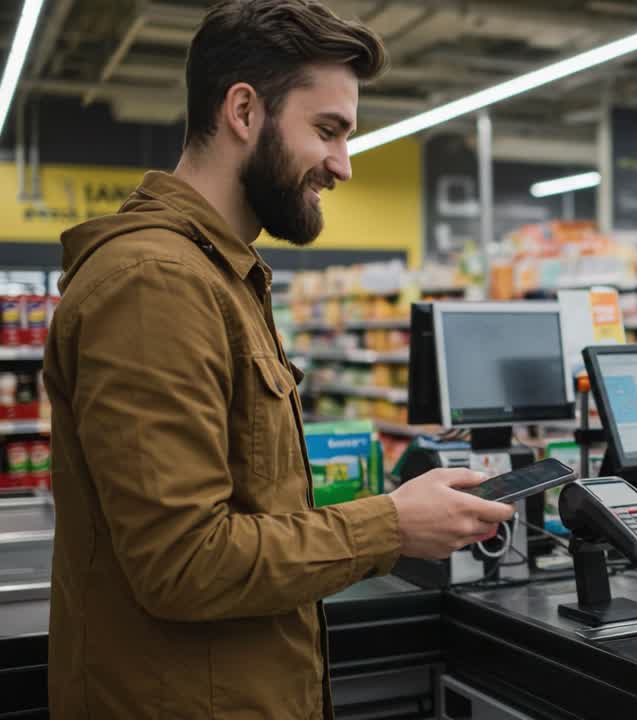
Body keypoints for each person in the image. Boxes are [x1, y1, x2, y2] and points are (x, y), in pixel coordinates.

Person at [44, 2, 514, 717]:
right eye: (327, 130)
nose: (343, 166)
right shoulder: (155, 283)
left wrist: (393, 510)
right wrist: (390, 523)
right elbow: (184, 563)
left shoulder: (217, 274)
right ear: (243, 111)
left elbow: (243, 509)